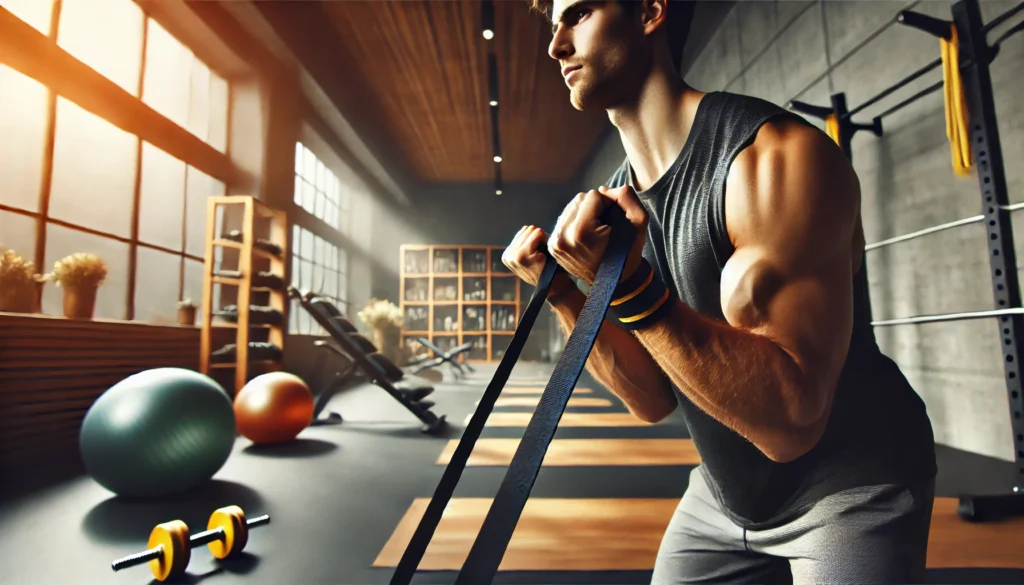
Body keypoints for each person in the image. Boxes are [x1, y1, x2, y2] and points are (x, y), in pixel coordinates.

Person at [501, 0, 938, 583]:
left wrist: (630, 288)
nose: (555, 47)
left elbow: (792, 421)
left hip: (848, 485)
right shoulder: (619, 199)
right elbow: (653, 398)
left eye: (577, 14)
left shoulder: (770, 160)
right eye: (552, 26)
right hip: (722, 495)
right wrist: (562, 293)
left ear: (651, 11)